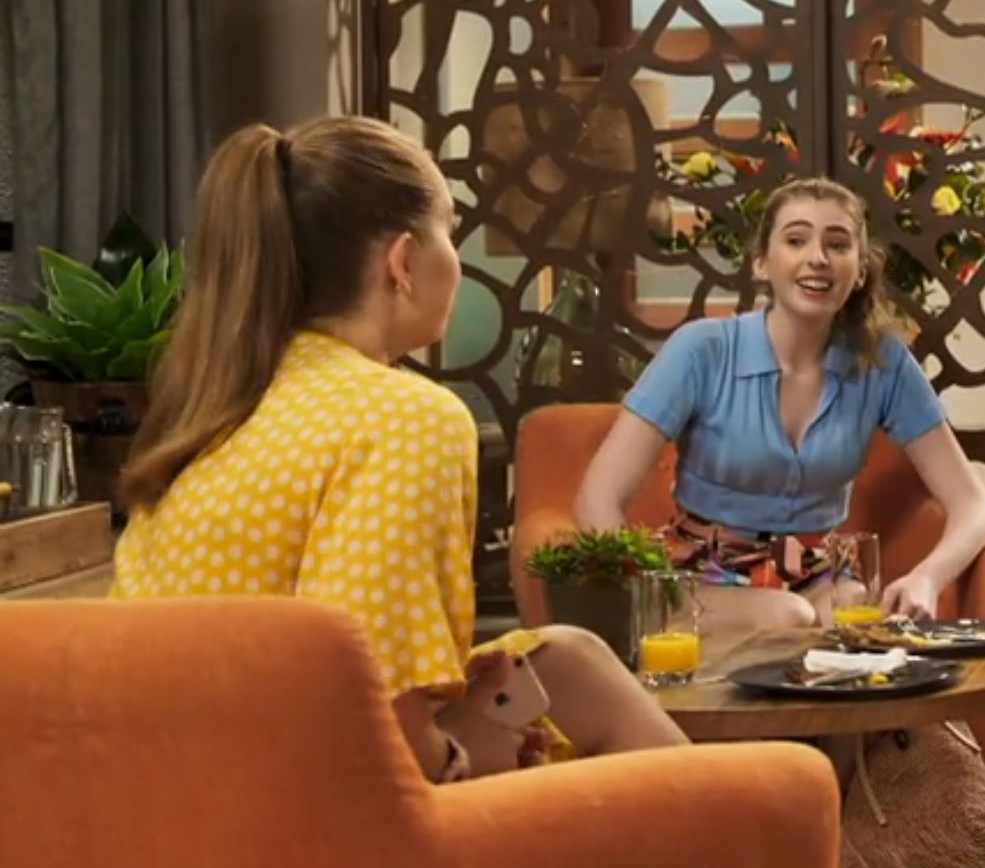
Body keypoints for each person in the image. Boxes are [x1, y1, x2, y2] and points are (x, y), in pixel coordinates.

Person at [112, 118, 688, 783]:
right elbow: (372, 719)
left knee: (569, 662)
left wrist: (455, 705)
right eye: (449, 233)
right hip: (296, 806)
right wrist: (463, 755)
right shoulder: (402, 417)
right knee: (731, 798)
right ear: (404, 262)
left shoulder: (218, 407)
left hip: (173, 787)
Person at [574, 177, 985, 631]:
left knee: (855, 615)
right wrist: (648, 594)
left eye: (838, 244)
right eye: (796, 240)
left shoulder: (882, 362)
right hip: (702, 572)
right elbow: (595, 499)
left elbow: (974, 504)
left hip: (818, 570)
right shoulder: (701, 350)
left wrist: (927, 578)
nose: (818, 257)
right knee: (789, 616)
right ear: (761, 263)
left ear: (859, 270)